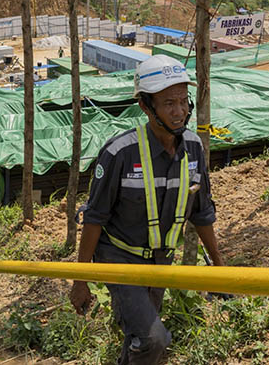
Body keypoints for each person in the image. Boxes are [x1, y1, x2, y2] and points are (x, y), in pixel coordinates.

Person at [69, 54, 224, 364]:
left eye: (184, 101)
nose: (180, 111)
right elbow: (95, 218)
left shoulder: (193, 149)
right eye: (169, 103)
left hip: (160, 260)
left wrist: (220, 268)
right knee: (154, 340)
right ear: (145, 105)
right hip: (119, 259)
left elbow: (201, 212)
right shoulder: (120, 154)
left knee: (141, 337)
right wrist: (80, 280)